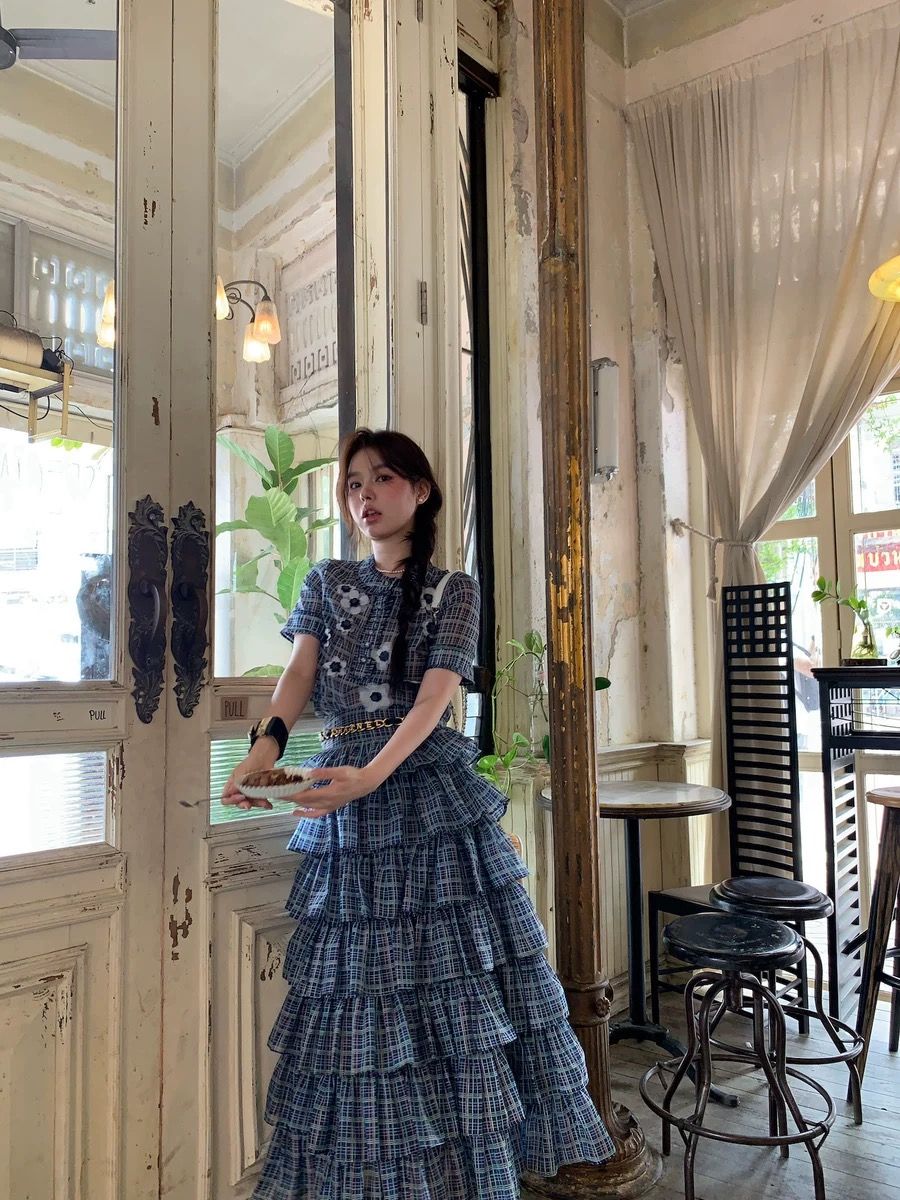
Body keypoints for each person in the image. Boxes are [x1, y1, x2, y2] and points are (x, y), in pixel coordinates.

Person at [222, 428, 614, 1200]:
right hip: (345, 796)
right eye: (353, 484)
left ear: (421, 490)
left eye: (382, 479)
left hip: (426, 796)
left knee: (452, 995)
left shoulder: (452, 589)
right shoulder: (327, 580)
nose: (363, 496)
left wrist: (370, 776)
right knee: (364, 1002)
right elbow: (297, 676)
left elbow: (436, 699)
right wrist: (262, 751)